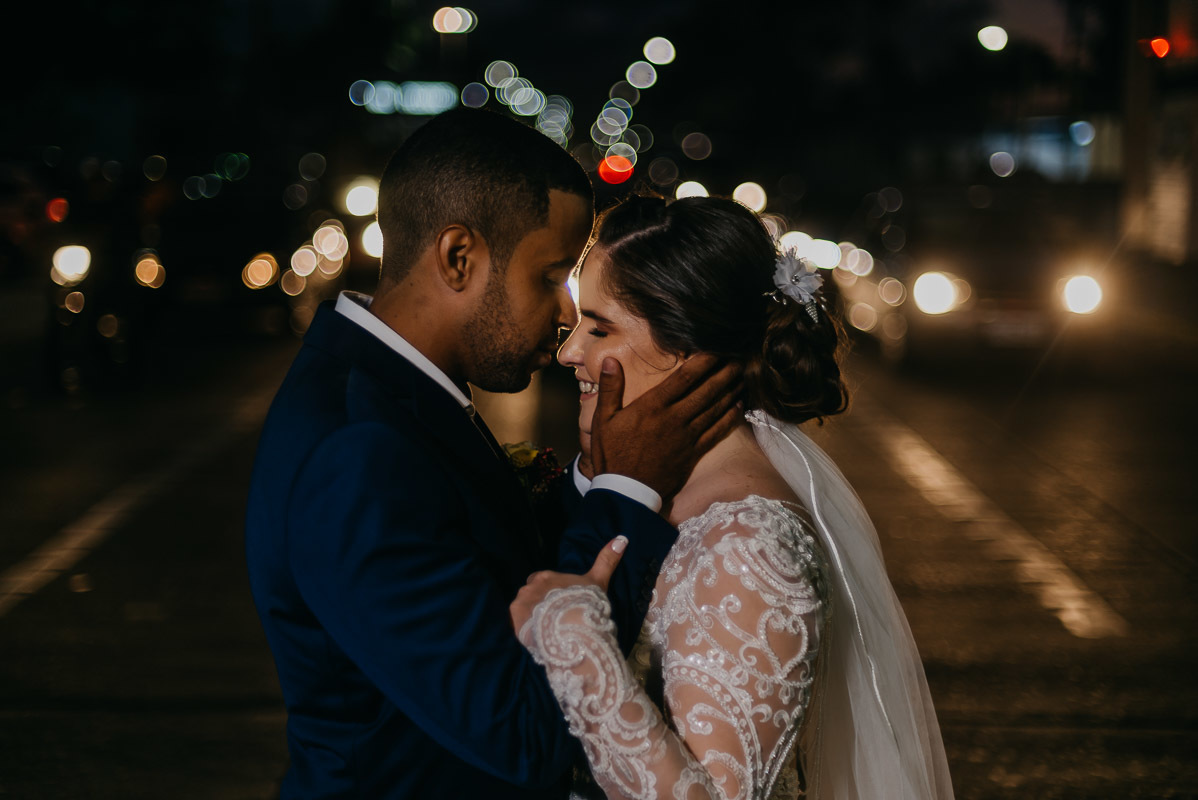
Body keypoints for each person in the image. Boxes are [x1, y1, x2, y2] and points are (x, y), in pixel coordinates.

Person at [244, 109, 741, 799]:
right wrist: (628, 491)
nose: (568, 314)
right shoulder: (358, 451)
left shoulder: (391, 392)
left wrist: (594, 478)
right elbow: (523, 734)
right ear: (458, 258)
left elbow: (487, 559)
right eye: (550, 275)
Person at [511, 195, 955, 799]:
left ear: (688, 349)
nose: (569, 352)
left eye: (600, 327)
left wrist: (577, 647)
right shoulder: (660, 491)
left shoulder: (751, 545)